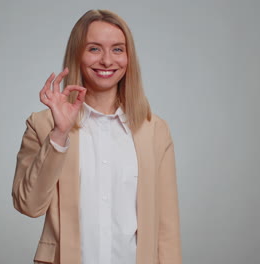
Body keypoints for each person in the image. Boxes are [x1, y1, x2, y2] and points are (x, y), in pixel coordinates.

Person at [12, 9, 182, 264]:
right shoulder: (43, 124)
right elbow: (29, 205)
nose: (106, 60)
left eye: (117, 49)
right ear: (77, 54)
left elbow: (166, 228)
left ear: (129, 57)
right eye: (93, 49)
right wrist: (59, 133)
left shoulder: (154, 130)